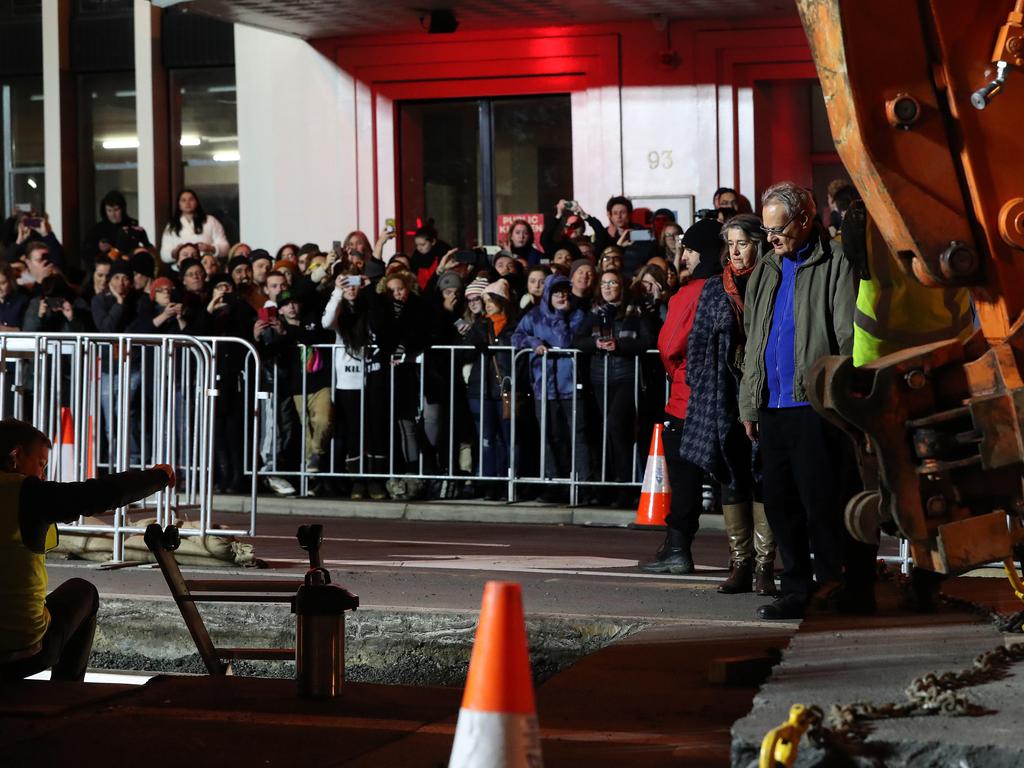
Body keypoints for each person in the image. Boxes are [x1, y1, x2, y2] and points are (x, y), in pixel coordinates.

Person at [738, 181, 865, 620]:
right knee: (780, 504)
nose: (770, 239)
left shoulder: (835, 262)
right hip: (773, 408)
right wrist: (749, 405)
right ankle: (795, 588)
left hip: (815, 406)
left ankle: (832, 585)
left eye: (778, 229)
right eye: (766, 229)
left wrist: (841, 399)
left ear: (806, 220)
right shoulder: (766, 270)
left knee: (822, 503)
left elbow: (847, 334)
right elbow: (754, 339)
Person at [0, 418, 174, 682]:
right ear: (16, 455)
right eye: (40, 464)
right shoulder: (26, 492)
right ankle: (67, 694)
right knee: (83, 592)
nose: (43, 476)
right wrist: (158, 476)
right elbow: (101, 493)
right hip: (20, 651)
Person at [680, 215, 776, 595]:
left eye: (744, 243)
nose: (736, 252)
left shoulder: (773, 280)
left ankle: (766, 564)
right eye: (731, 244)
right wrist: (702, 386)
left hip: (765, 391)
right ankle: (740, 562)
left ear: (759, 243)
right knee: (732, 473)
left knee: (765, 475)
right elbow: (699, 343)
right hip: (722, 393)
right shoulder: (714, 289)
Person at [642, 217, 723, 574]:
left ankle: (677, 548)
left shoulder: (690, 294)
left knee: (685, 476)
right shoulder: (732, 288)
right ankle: (750, 557)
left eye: (687, 248)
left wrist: (678, 373)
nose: (683, 255)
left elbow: (669, 345)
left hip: (687, 398)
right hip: (726, 398)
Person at [573, 270, 653, 507]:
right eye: (604, 283)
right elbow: (577, 340)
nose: (608, 287)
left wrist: (619, 345)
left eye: (613, 282)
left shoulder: (635, 311)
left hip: (626, 377)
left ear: (622, 285)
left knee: (617, 427)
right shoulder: (595, 312)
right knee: (605, 431)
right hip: (600, 378)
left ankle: (625, 486)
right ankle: (608, 485)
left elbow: (647, 342)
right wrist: (595, 343)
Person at [512, 274, 589, 502]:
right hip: (543, 387)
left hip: (570, 386)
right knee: (550, 436)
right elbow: (516, 337)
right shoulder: (533, 316)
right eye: (556, 292)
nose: (561, 296)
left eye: (565, 291)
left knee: (577, 436)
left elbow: (566, 343)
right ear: (547, 294)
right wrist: (533, 342)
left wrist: (560, 317)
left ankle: (582, 485)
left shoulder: (576, 315)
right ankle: (554, 484)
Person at [464, 279, 519, 501]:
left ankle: (507, 480)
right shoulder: (480, 325)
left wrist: (495, 343)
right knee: (486, 439)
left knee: (507, 438)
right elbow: (466, 352)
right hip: (481, 389)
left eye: (490, 300)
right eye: (484, 300)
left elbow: (510, 353)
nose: (486, 305)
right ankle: (488, 483)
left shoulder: (514, 325)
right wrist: (476, 338)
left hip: (504, 388)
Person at [159, 189, 230, 265]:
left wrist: (211, 248)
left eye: (191, 199)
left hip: (207, 267)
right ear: (179, 205)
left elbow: (226, 248)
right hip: (179, 270)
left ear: (197, 202)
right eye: (183, 200)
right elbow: (164, 255)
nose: (187, 203)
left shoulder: (210, 220)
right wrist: (175, 252)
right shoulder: (172, 225)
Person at [81, 190, 151, 267]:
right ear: (105, 211)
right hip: (106, 269)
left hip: (130, 267)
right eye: (109, 210)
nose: (113, 214)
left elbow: (147, 252)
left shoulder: (132, 225)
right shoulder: (98, 229)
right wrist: (99, 248)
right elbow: (85, 253)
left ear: (123, 209)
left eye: (116, 210)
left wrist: (144, 239)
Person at [0, 263, 28, 331]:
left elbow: (28, 329)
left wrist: (5, 329)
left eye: (2, 283)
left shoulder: (23, 301)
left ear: (11, 281)